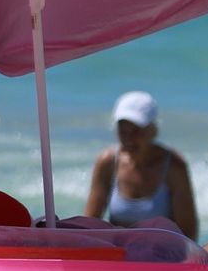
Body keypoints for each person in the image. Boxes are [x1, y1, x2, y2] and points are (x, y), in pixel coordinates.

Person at [82, 91, 199, 241]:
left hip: (163, 256)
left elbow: (188, 233)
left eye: (137, 131)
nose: (129, 138)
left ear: (153, 130)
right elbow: (89, 225)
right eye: (123, 130)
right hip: (119, 255)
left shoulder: (174, 167)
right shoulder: (107, 162)